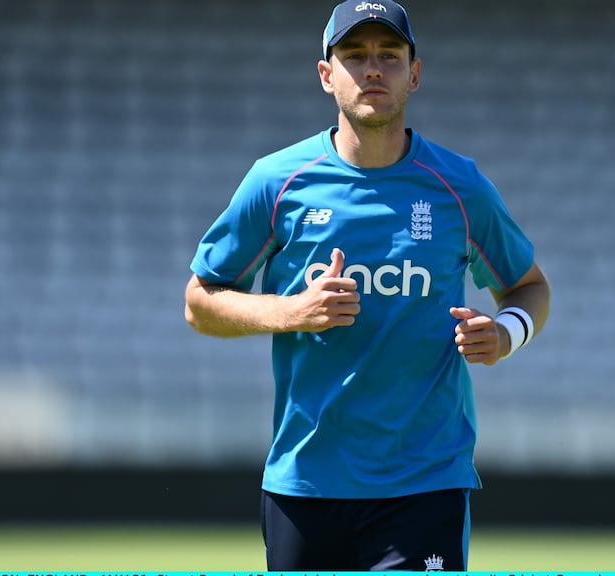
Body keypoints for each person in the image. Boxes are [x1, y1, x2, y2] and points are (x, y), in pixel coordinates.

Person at [184, 0, 550, 570]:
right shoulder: (277, 182)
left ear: (416, 72)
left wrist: (505, 334)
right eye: (354, 55)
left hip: (425, 482)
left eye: (389, 55)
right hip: (305, 483)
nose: (373, 68)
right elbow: (198, 302)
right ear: (327, 75)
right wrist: (289, 312)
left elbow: (529, 287)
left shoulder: (460, 186)